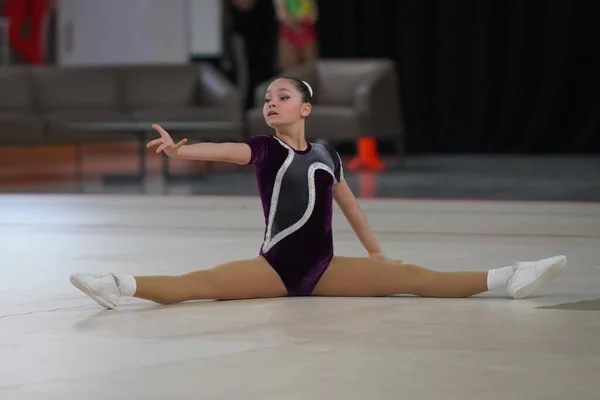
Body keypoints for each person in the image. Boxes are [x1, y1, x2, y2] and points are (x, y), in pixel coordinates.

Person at [69, 77, 567, 310]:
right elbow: (221, 151)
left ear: (305, 108)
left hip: (325, 267)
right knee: (200, 284)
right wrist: (181, 152)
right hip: (275, 267)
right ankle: (119, 285)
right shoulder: (263, 149)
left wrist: (377, 256)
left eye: (282, 97)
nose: (271, 104)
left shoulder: (328, 155)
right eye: (266, 99)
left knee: (416, 278)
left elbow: (351, 209)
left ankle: (509, 277)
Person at [274, 0, 318, 71]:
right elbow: (280, 12)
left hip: (306, 31)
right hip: (288, 32)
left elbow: (313, 15)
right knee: (290, 70)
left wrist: (303, 19)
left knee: (309, 69)